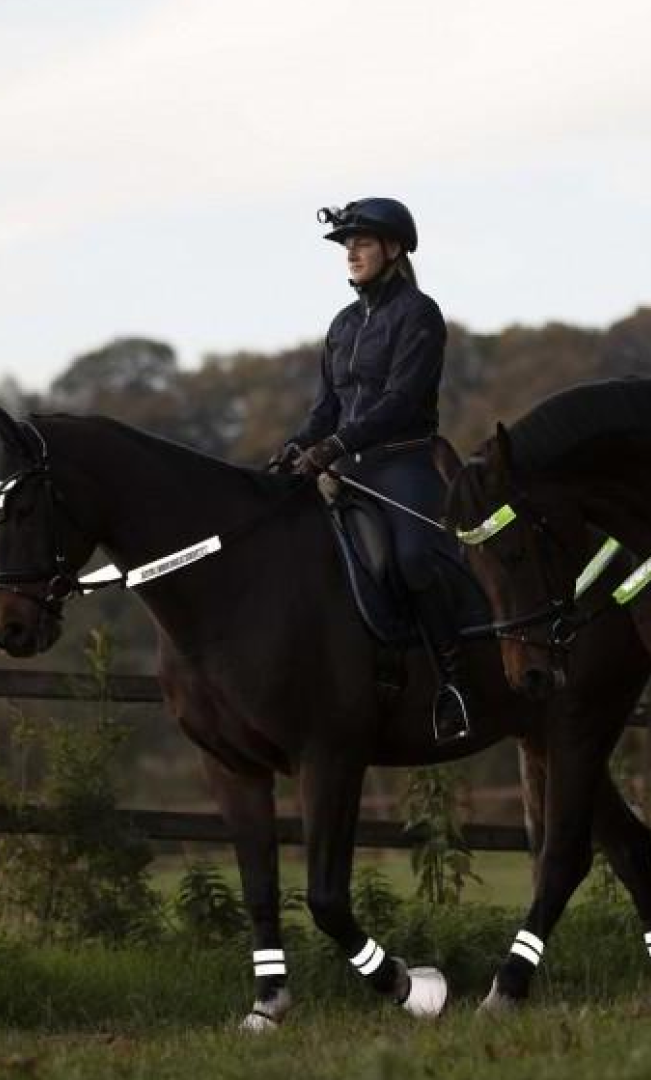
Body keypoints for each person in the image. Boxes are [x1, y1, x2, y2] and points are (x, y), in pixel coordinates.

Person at [272, 198, 470, 741]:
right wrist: (296, 445)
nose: (351, 253)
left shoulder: (419, 314)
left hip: (403, 462)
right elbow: (325, 408)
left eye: (361, 243)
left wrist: (333, 445)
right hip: (347, 466)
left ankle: (454, 684)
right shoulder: (340, 324)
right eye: (346, 246)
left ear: (394, 248)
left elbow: (402, 401)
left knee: (409, 559)